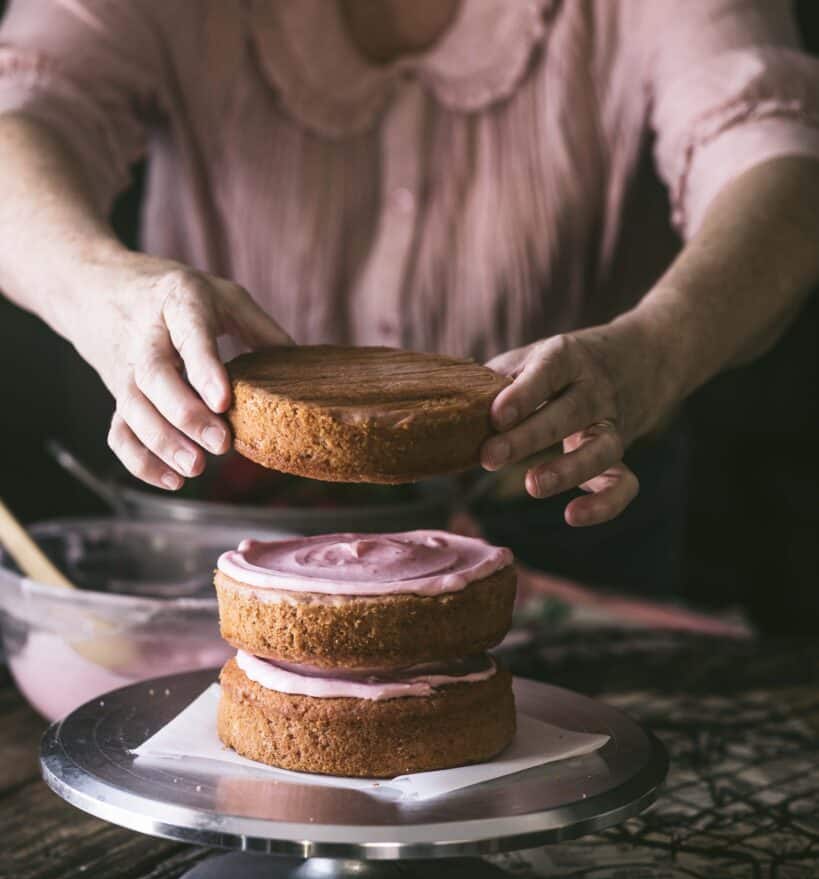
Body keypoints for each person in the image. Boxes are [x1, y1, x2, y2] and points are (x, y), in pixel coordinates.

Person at [0, 0, 817, 595]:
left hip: (563, 530)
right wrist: (101, 289)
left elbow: (779, 165)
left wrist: (658, 349)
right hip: (246, 537)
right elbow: (22, 110)